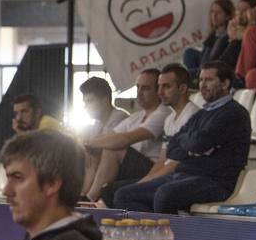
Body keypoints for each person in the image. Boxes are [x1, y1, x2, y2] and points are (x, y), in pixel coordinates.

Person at [113, 60, 251, 213]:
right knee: (124, 195)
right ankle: (150, 232)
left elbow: (199, 143)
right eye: (201, 80)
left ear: (225, 84)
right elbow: (173, 149)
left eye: (209, 80)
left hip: (217, 181)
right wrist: (190, 140)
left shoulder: (233, 113)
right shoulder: (202, 114)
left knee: (165, 195)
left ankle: (167, 235)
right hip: (186, 175)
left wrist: (188, 140)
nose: (202, 85)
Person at [81, 68, 168, 205]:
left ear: (158, 91)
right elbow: (110, 137)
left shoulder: (163, 112)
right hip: (130, 167)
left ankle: (90, 197)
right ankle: (84, 196)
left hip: (152, 168)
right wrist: (88, 144)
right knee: (98, 149)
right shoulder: (136, 117)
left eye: (145, 88)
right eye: (138, 87)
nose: (139, 93)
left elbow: (125, 139)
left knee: (114, 148)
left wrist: (87, 143)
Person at [130, 63, 201, 188]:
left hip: (180, 178)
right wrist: (145, 180)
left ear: (182, 89)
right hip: (167, 176)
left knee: (122, 194)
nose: (160, 92)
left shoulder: (193, 116)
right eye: (159, 87)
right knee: (120, 191)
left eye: (166, 87)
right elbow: (162, 160)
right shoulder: (169, 118)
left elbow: (175, 164)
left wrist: (145, 183)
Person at [183, 0, 235, 76]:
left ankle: (196, 77)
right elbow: (205, 56)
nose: (214, 16)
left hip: (214, 67)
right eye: (212, 12)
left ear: (228, 16)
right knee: (189, 53)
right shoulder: (213, 34)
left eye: (218, 12)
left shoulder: (228, 34)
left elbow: (214, 59)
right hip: (204, 65)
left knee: (186, 75)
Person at [76, 76, 126, 140]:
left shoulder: (120, 118)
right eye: (85, 102)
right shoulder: (98, 122)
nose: (85, 107)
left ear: (105, 101)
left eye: (89, 101)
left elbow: (103, 146)